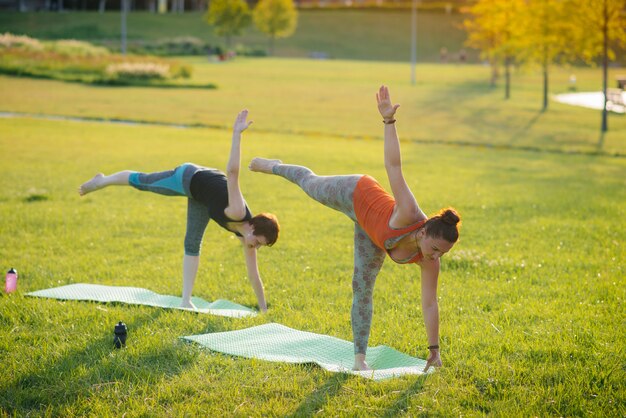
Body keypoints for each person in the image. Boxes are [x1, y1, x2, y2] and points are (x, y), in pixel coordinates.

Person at [249, 86, 461, 372]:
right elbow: (394, 166)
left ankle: (359, 358)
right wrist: (388, 120)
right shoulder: (410, 212)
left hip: (372, 234)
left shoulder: (429, 261)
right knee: (309, 184)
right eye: (435, 249)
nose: (436, 257)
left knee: (362, 287)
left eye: (442, 254)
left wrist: (434, 350)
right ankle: (275, 166)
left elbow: (430, 305)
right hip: (355, 192)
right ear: (422, 231)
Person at [79, 110, 279, 312]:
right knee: (142, 182)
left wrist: (263, 309)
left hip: (204, 198)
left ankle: (185, 301)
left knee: (192, 242)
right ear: (253, 227)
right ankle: (102, 180)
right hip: (189, 178)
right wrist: (237, 134)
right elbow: (233, 173)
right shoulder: (237, 211)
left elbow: (254, 274)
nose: (257, 247)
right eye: (259, 242)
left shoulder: (247, 239)